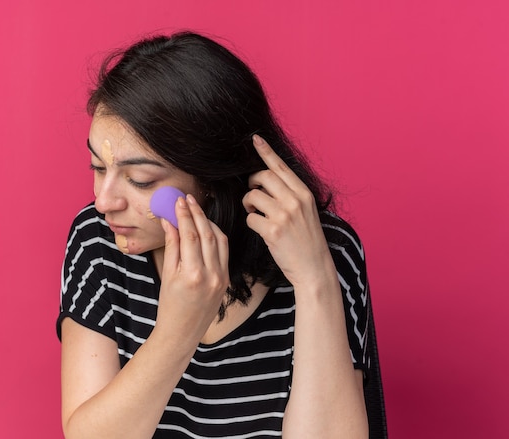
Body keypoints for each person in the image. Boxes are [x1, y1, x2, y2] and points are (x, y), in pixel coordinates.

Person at [57, 31, 376, 438]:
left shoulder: (326, 249)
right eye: (97, 168)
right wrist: (179, 326)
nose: (105, 201)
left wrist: (315, 281)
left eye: (139, 180)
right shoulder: (98, 241)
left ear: (211, 178)